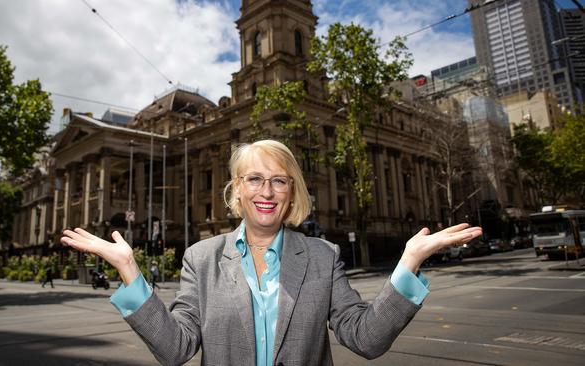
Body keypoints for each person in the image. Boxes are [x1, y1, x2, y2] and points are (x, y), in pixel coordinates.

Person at [61, 140, 482, 366]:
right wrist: (130, 271)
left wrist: (407, 262)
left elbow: (366, 340)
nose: (266, 191)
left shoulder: (322, 255)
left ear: (292, 191)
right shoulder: (201, 258)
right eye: (255, 179)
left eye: (280, 181)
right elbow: (175, 349)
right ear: (237, 189)